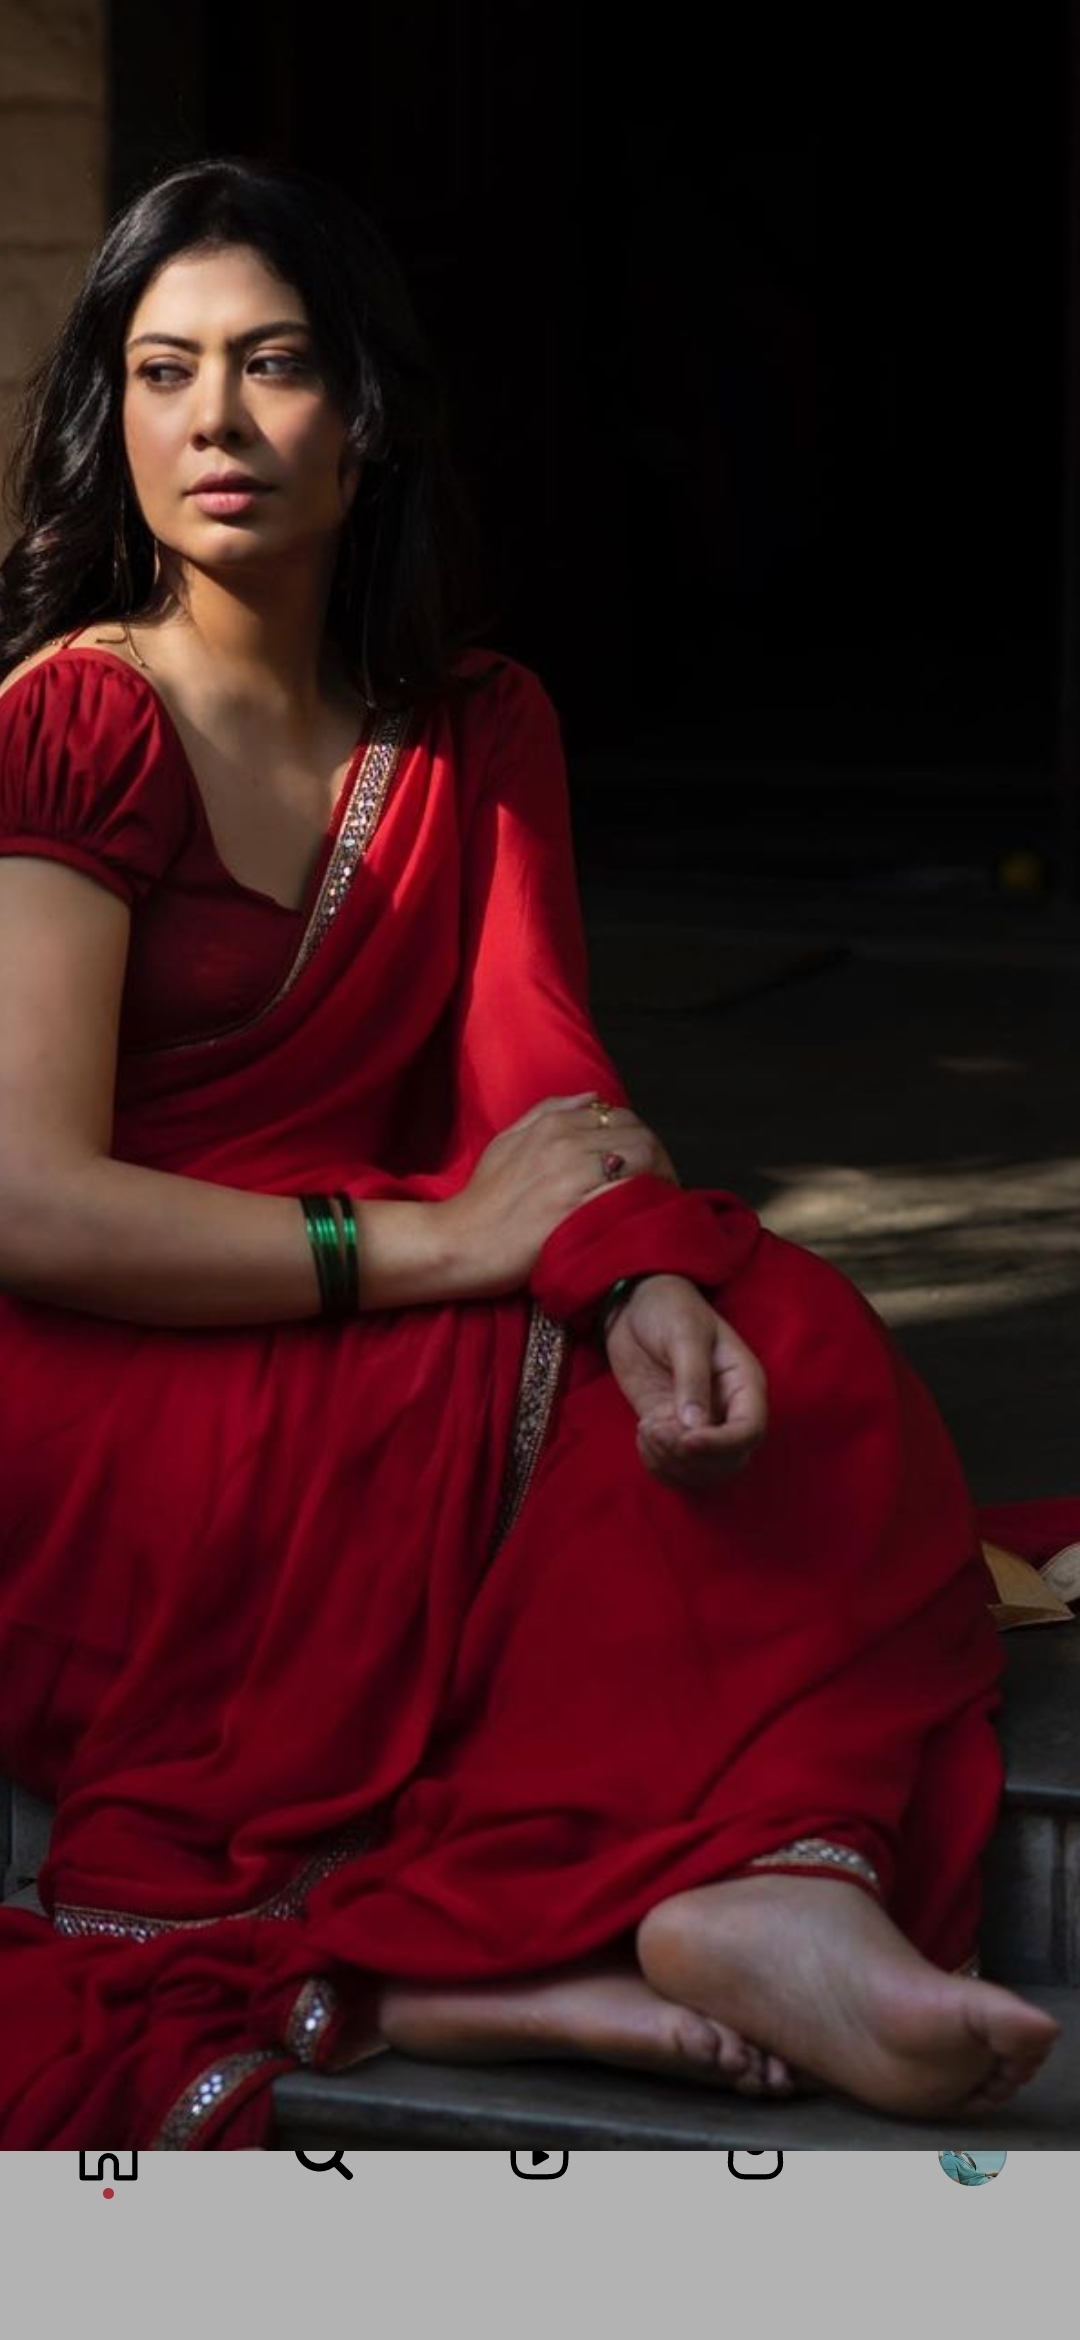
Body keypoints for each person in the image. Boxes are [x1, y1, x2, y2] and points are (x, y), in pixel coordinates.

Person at [0, 155, 1061, 2151]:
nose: (216, 421)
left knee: (780, 1340)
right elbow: (27, 1202)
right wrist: (444, 1254)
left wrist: (634, 1273)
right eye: (162, 371)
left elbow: (540, 1084)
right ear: (109, 420)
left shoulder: (478, 724)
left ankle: (773, 1881)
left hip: (390, 1292)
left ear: (368, 416)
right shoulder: (74, 722)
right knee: (530, 1383)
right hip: (103, 1356)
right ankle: (464, 1952)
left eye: (273, 364)